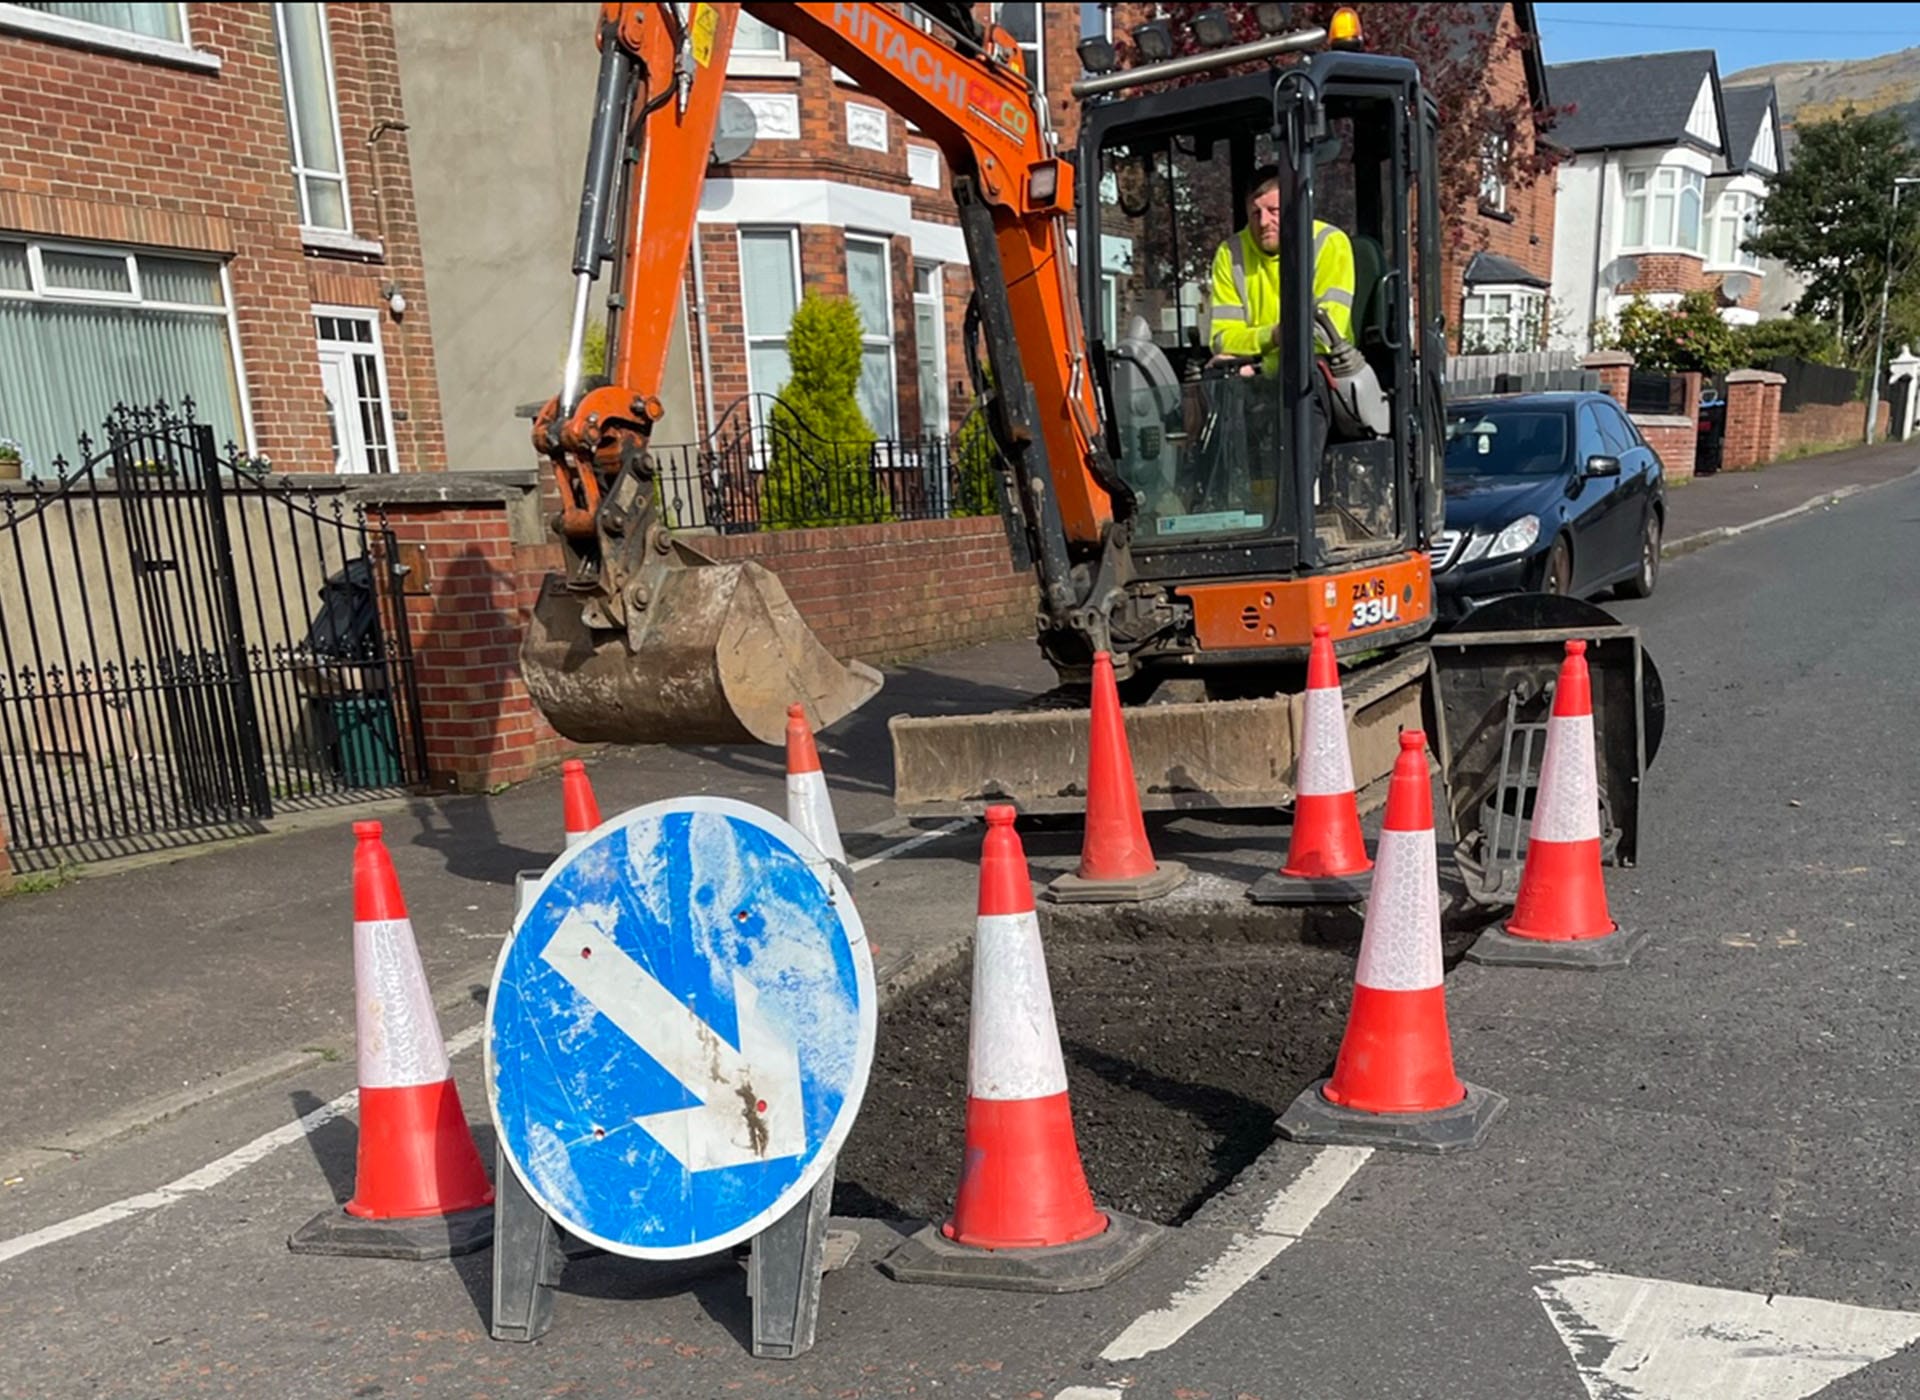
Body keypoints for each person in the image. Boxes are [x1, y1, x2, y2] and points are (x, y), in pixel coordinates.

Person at [1208, 164, 1356, 373]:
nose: (1264, 222)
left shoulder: (1328, 243)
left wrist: (1262, 367)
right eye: (1256, 213)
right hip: (1251, 381)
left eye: (1273, 211)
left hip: (1328, 377)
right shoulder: (1230, 253)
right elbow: (1222, 339)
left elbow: (1325, 337)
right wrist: (1273, 336)